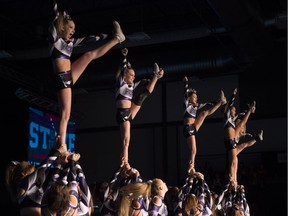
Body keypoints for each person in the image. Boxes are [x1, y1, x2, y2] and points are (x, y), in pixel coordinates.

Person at [48, 0, 125, 148]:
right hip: (62, 79)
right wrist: (56, 7)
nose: (73, 31)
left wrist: (108, 35)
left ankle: (117, 39)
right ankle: (61, 143)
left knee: (89, 55)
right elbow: (54, 17)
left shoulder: (70, 43)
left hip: (68, 75)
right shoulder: (54, 39)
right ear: (62, 27)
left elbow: (89, 39)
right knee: (66, 113)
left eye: (74, 28)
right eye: (70, 27)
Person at [115, 48, 164, 162]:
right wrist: (124, 57)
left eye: (134, 76)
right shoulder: (120, 83)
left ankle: (156, 76)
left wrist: (155, 77)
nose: (133, 77)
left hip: (129, 111)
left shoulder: (131, 85)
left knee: (142, 96)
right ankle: (125, 161)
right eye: (131, 75)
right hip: (122, 114)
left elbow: (143, 83)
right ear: (125, 76)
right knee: (126, 141)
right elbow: (123, 68)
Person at [5, 138, 67, 216]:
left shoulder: (30, 186)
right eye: (32, 170)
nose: (34, 172)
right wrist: (58, 151)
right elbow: (42, 168)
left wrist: (58, 163)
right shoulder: (23, 184)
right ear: (24, 173)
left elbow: (48, 178)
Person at [182, 76, 227, 175]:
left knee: (204, 113)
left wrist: (218, 102)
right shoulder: (187, 104)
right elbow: (185, 92)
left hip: (194, 127)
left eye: (196, 97)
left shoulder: (196, 106)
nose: (196, 98)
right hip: (188, 128)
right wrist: (186, 82)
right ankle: (191, 166)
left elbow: (208, 104)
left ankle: (221, 102)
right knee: (194, 150)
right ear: (189, 98)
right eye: (194, 97)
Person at [223, 88, 263, 189]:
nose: (234, 110)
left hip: (232, 143)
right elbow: (230, 106)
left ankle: (234, 180)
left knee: (236, 160)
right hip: (230, 142)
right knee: (233, 161)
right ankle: (232, 180)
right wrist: (233, 94)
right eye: (233, 109)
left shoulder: (233, 119)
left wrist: (248, 111)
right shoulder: (227, 116)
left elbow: (240, 116)